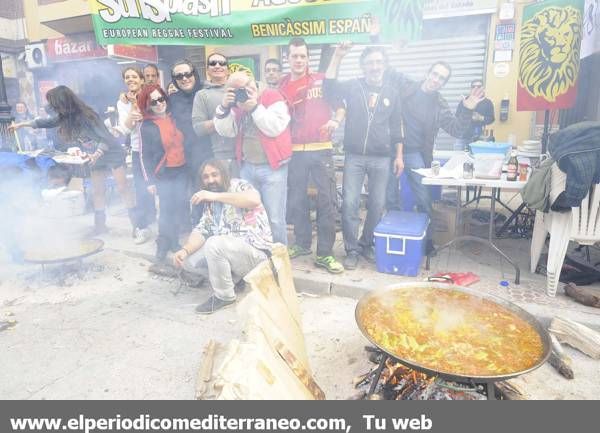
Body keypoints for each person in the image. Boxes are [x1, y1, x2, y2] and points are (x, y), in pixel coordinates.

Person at [9, 85, 140, 235]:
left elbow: (106, 138)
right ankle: (100, 226)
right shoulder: (65, 117)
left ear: (63, 102)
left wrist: (95, 155)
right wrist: (20, 124)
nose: (52, 107)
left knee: (123, 188)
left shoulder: (88, 116)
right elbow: (46, 122)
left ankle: (137, 226)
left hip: (111, 152)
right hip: (95, 156)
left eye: (54, 103)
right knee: (98, 190)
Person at [324, 43, 404, 269]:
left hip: (382, 158)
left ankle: (366, 244)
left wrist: (399, 156)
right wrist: (338, 56)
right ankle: (351, 249)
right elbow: (329, 88)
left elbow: (397, 127)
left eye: (379, 62)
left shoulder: (392, 93)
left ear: (385, 65)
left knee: (377, 205)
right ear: (363, 66)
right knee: (349, 203)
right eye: (370, 62)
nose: (375, 66)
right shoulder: (353, 86)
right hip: (355, 157)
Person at [279, 37, 345, 274]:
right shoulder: (281, 86)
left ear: (308, 58)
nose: (298, 60)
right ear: (288, 58)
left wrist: (335, 121)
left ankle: (325, 254)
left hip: (321, 148)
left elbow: (340, 106)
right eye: (294, 56)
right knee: (296, 201)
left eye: (302, 56)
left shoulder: (321, 80)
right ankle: (302, 243)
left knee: (327, 202)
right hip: (294, 153)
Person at [386, 62, 484, 219]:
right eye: (435, 74)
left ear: (444, 83)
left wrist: (467, 109)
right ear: (428, 73)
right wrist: (375, 38)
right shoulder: (407, 85)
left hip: (414, 153)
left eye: (442, 78)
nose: (436, 79)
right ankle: (394, 233)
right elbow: (386, 69)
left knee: (423, 198)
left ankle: (427, 240)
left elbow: (456, 129)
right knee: (389, 197)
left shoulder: (439, 104)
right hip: (390, 149)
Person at [173, 159, 272, 314]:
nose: (210, 180)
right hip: (234, 254)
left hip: (257, 259)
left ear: (224, 174)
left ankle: (224, 296)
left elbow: (254, 199)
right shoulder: (210, 203)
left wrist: (213, 196)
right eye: (206, 177)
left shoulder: (239, 185)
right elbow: (202, 230)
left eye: (214, 175)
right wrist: (184, 250)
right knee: (188, 261)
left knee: (213, 244)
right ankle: (234, 280)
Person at [213, 71, 292, 245]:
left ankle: (279, 256)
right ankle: (259, 250)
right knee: (251, 214)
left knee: (274, 217)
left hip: (273, 168)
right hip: (247, 166)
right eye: (237, 89)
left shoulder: (272, 95)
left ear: (253, 81)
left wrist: (254, 108)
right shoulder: (237, 104)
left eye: (246, 85)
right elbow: (227, 131)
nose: (245, 91)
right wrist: (224, 107)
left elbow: (274, 128)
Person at [138, 84, 188, 261]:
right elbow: (144, 156)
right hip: (164, 173)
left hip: (182, 169)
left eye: (161, 99)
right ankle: (163, 242)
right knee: (166, 209)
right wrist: (149, 181)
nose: (159, 104)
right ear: (147, 105)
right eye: (153, 102)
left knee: (177, 207)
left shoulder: (175, 118)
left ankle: (173, 240)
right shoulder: (146, 125)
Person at [169, 59, 213, 225]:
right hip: (181, 155)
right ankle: (192, 225)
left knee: (208, 191)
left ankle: (208, 225)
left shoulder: (206, 92)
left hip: (207, 152)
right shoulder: (171, 98)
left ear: (194, 74)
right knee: (185, 194)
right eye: (179, 76)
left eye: (188, 74)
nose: (184, 78)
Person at [116, 66, 154, 244]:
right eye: (127, 77)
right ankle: (142, 227)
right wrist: (132, 104)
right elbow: (127, 127)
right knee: (141, 190)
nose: (130, 79)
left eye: (134, 77)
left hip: (157, 147)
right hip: (139, 149)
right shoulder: (123, 102)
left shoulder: (151, 94)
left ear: (141, 80)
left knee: (163, 187)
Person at [192, 53, 237, 175]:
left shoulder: (239, 88)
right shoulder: (202, 95)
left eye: (222, 63)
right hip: (220, 159)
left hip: (246, 156)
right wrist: (225, 119)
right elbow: (198, 128)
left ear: (228, 69)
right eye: (213, 63)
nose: (217, 66)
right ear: (207, 70)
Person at [454, 79, 495, 150]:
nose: (476, 88)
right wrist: (467, 115)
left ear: (483, 88)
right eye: (473, 86)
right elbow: (456, 116)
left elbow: (491, 119)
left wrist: (480, 118)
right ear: (471, 89)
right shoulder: (465, 101)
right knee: (458, 156)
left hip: (479, 138)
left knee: (477, 158)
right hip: (462, 136)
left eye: (479, 86)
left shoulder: (487, 102)